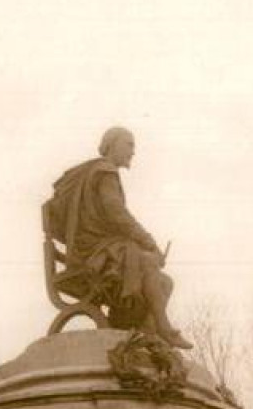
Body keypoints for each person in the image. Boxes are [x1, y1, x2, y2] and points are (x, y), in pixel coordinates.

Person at [46, 126, 192, 349]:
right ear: (112, 144)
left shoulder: (99, 171)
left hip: (101, 250)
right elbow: (117, 214)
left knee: (165, 282)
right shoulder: (105, 171)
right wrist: (148, 241)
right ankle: (164, 328)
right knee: (148, 261)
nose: (133, 151)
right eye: (129, 144)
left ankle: (143, 336)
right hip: (93, 253)